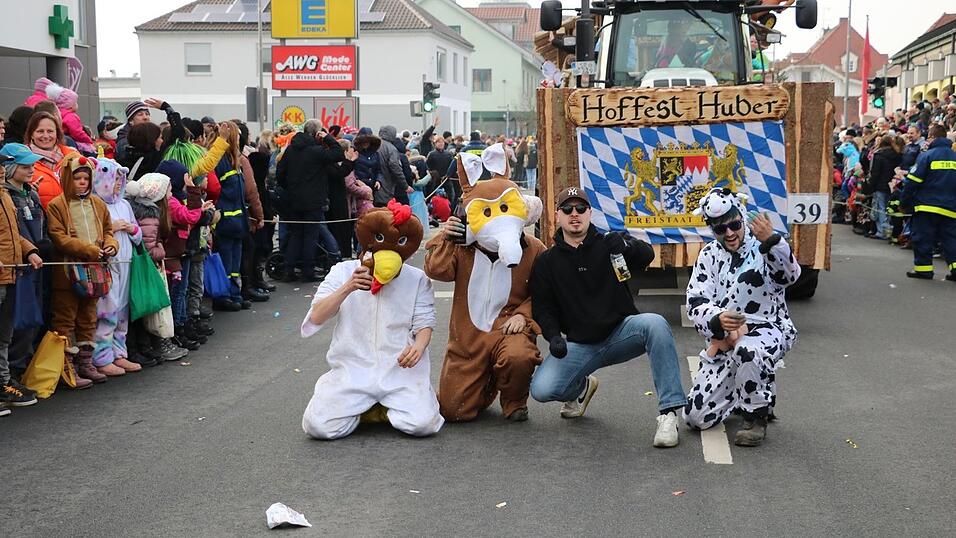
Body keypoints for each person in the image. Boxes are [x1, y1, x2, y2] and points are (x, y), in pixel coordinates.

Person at [528, 187, 685, 447]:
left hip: (622, 332)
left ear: (590, 213)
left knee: (656, 324)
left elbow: (646, 255)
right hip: (580, 344)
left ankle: (668, 413)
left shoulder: (610, 243)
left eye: (580, 209)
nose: (574, 214)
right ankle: (581, 388)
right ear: (557, 216)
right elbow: (544, 308)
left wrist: (626, 246)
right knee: (541, 390)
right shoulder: (547, 261)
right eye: (567, 209)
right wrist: (553, 336)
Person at [300, 202, 443, 439]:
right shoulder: (343, 271)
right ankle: (364, 407)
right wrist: (348, 288)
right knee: (318, 426)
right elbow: (316, 315)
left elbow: (424, 322)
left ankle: (386, 408)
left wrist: (418, 347)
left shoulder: (416, 278)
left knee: (423, 425)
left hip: (399, 371)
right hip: (352, 370)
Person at [424, 146, 546, 422]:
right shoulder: (461, 247)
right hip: (467, 339)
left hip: (508, 329)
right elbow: (436, 270)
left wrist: (523, 315)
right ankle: (486, 381)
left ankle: (514, 400)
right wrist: (446, 237)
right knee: (453, 411)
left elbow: (547, 291)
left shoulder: (534, 248)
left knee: (519, 356)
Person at [683, 188, 800, 446]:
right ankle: (745, 386)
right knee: (694, 417)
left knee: (748, 351)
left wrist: (773, 243)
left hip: (768, 328)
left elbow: (790, 275)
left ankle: (756, 416)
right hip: (726, 338)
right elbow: (696, 300)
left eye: (734, 224)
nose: (729, 233)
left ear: (742, 217)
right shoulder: (709, 255)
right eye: (720, 229)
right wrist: (717, 318)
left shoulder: (763, 246)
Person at [47, 154, 119, 386]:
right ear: (68, 178)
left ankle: (86, 363)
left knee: (88, 317)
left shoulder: (97, 204)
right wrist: (87, 249)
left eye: (86, 178)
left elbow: (109, 230)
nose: (82, 182)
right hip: (68, 272)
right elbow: (59, 237)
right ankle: (66, 366)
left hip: (95, 272)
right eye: (77, 178)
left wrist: (111, 245)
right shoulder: (57, 205)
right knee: (65, 318)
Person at [0, 144, 55, 382]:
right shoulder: (7, 194)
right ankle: (10, 373)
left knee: (29, 319)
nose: (31, 169)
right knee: (13, 325)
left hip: (34, 264)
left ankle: (20, 370)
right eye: (24, 166)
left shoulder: (30, 194)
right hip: (16, 269)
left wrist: (36, 248)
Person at [90, 156, 144, 376]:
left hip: (126, 264)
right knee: (107, 310)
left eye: (121, 179)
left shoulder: (125, 205)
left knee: (122, 310)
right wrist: (112, 227)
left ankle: (119, 354)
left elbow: (139, 236)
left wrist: (131, 229)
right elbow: (93, 234)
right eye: (115, 178)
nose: (119, 183)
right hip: (108, 265)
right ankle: (101, 357)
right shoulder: (96, 205)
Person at [275, 119, 345, 282]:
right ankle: (308, 270)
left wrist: (290, 187)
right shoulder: (316, 151)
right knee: (310, 235)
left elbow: (280, 173)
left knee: (296, 234)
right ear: (317, 133)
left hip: (294, 199)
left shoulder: (291, 149)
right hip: (313, 199)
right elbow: (338, 154)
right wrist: (328, 138)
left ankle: (289, 268)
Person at [901, 123, 956, 281]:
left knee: (923, 238)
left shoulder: (927, 156)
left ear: (932, 137)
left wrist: (905, 202)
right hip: (951, 208)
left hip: (927, 206)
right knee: (951, 240)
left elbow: (912, 181)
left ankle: (923, 270)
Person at [25, 111, 78, 209]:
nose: (45, 136)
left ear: (57, 133)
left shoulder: (73, 156)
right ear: (31, 134)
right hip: (43, 222)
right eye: (40, 131)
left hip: (73, 219)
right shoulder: (23, 160)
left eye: (50, 131)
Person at [866, 134, 902, 240]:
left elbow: (874, 172)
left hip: (880, 184)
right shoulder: (897, 155)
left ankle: (882, 231)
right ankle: (889, 229)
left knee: (880, 207)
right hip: (893, 184)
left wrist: (870, 185)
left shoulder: (878, 155)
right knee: (889, 207)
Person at [378, 125, 412, 206]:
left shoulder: (376, 145)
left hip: (375, 183)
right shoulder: (391, 148)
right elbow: (395, 167)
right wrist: (405, 186)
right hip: (387, 185)